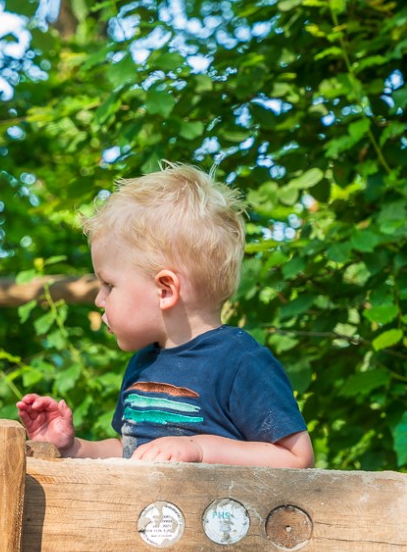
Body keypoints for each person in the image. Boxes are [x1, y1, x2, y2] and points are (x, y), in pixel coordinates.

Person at [18, 163, 314, 468]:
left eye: (109, 285)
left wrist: (198, 449)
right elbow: (128, 450)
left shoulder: (239, 362)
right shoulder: (144, 364)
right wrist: (71, 447)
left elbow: (297, 457)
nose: (98, 300)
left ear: (165, 289)